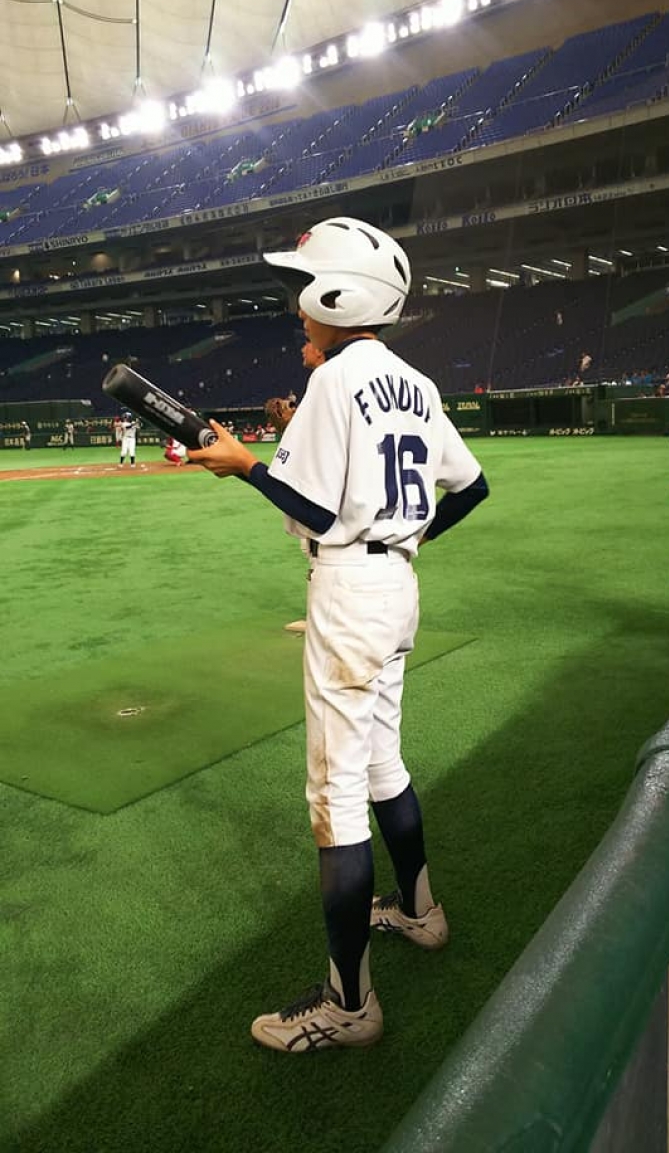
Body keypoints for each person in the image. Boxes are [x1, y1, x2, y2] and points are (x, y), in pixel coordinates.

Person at [189, 216, 489, 1053]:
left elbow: (315, 510)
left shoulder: (333, 381)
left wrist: (245, 465)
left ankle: (348, 1006)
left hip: (351, 591)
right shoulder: (416, 382)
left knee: (337, 798)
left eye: (304, 289)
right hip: (397, 588)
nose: (299, 307)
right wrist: (405, 539)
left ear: (338, 295)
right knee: (382, 760)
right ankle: (420, 912)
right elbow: (470, 488)